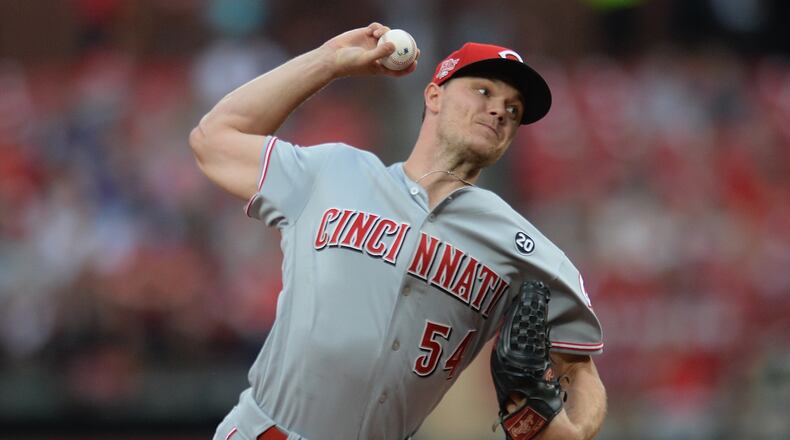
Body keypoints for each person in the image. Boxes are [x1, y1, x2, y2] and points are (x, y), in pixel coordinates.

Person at [190, 22, 606, 440]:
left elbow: (580, 368)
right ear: (434, 95)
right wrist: (328, 62)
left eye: (513, 109)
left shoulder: (524, 248)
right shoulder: (330, 172)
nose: (500, 110)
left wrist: (573, 433)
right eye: (484, 91)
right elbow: (214, 137)